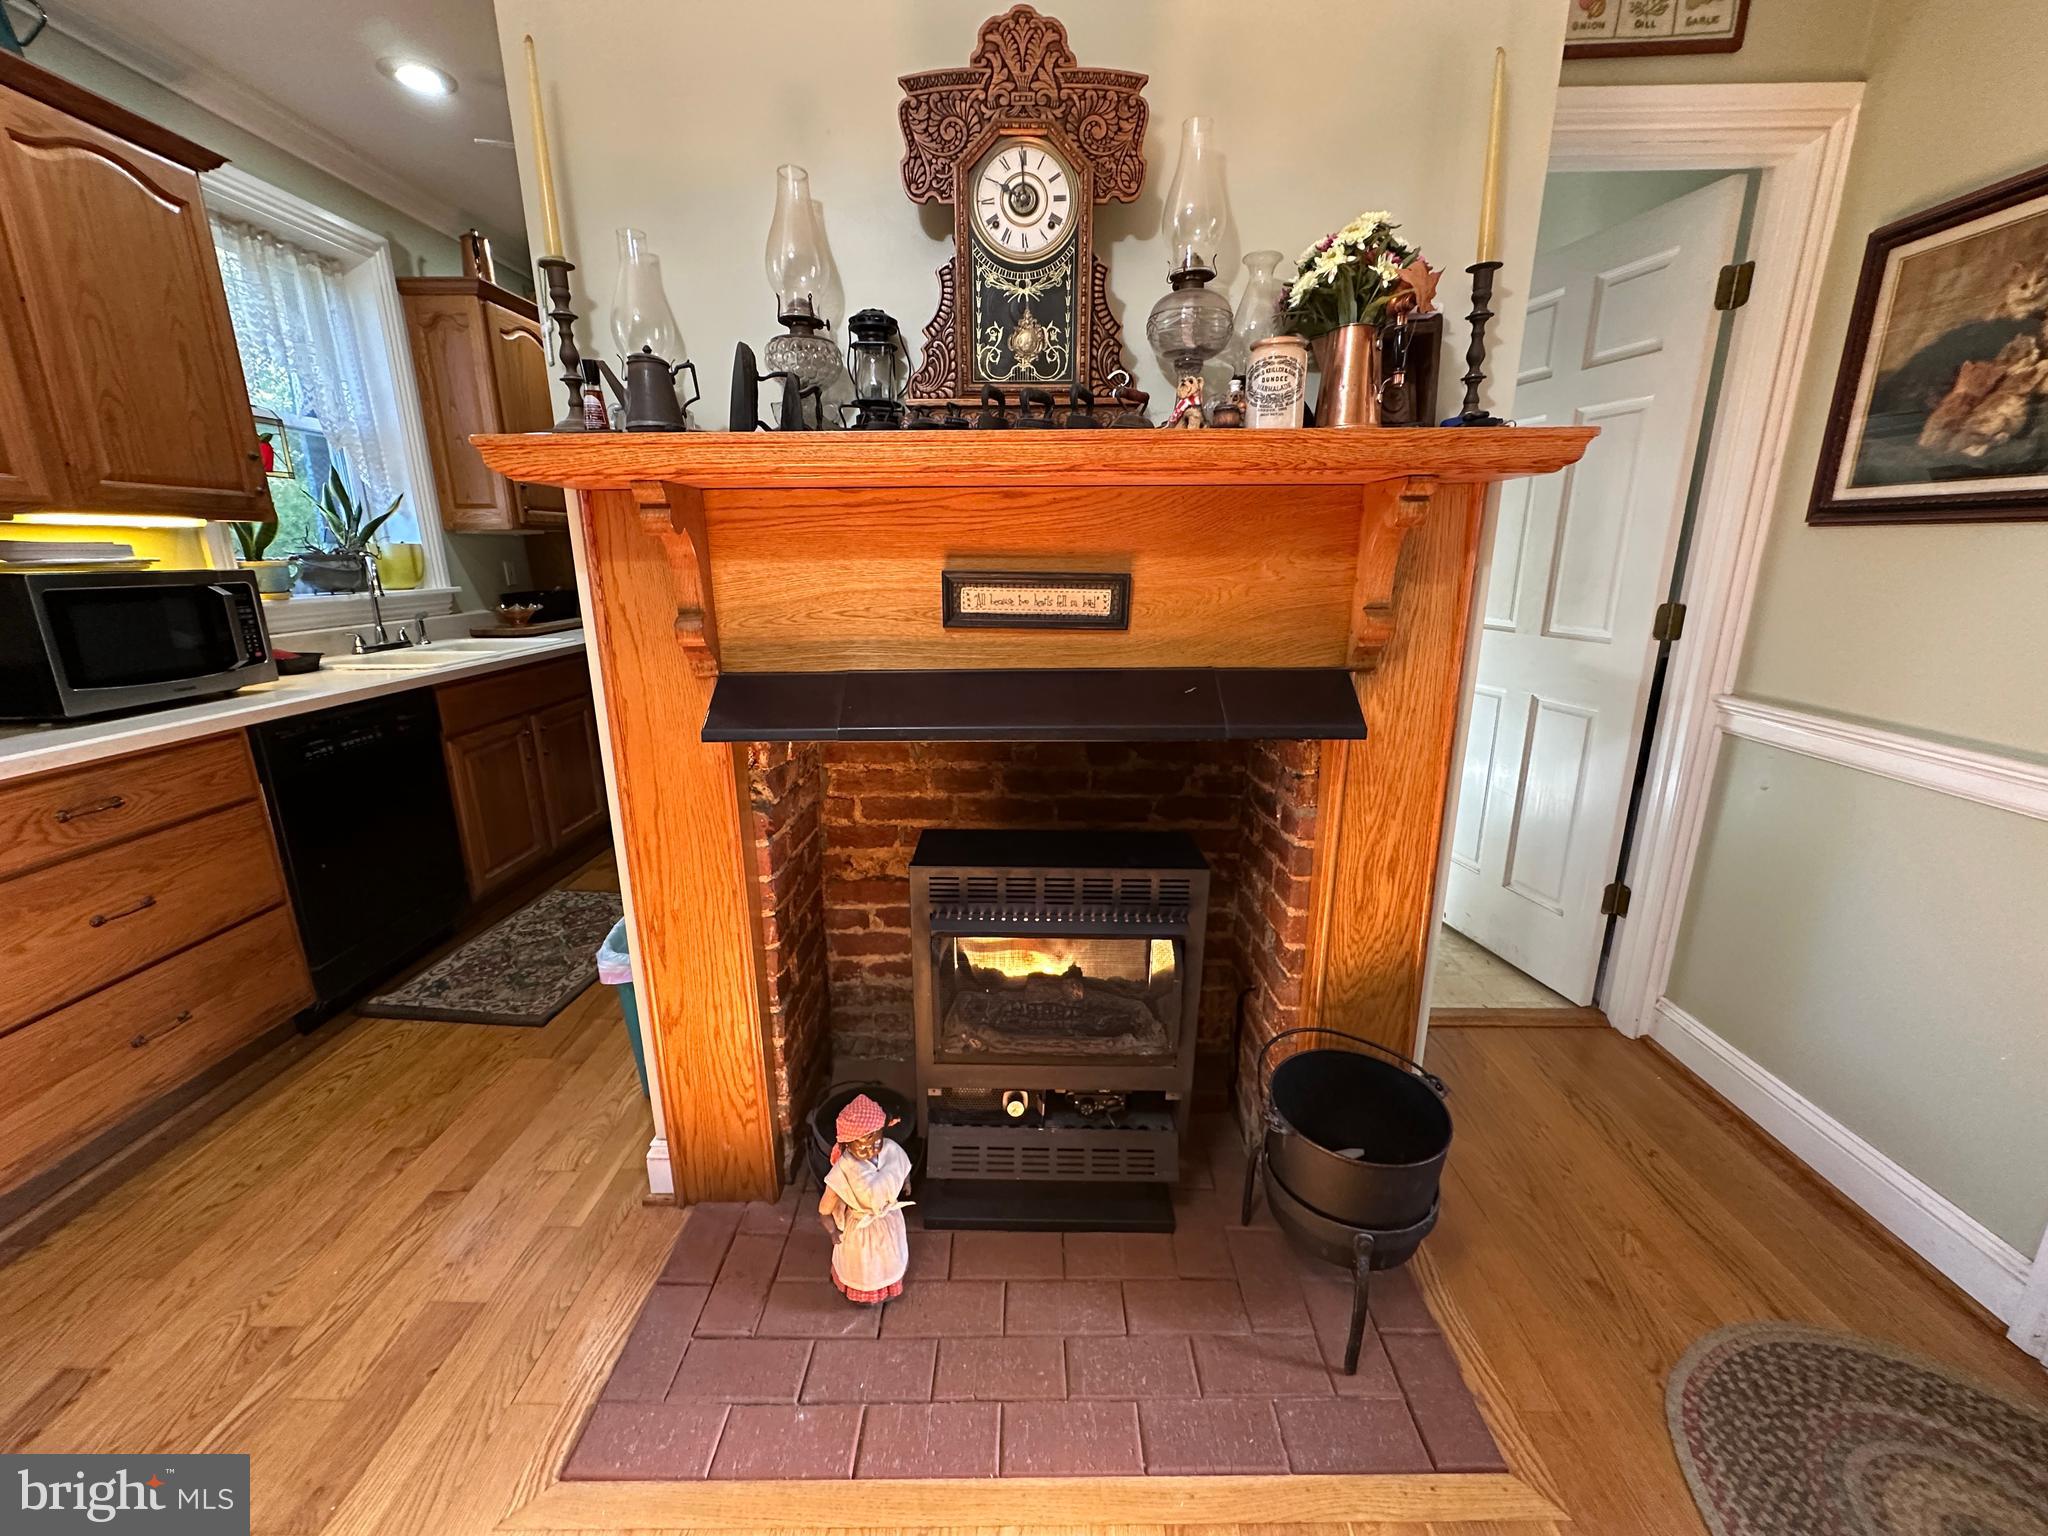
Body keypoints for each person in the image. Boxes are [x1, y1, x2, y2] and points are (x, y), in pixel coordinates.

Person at [817, 1094, 912, 1304]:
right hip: (860, 1227)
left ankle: (889, 1285)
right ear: (847, 1145)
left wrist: (906, 1182)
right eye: (862, 1147)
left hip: (888, 1218)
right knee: (864, 1263)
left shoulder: (890, 1149)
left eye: (875, 1142)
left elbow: (901, 1167)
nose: (870, 1150)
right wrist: (832, 1230)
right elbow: (825, 1208)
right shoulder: (844, 1168)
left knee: (888, 1256)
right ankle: (863, 1294)